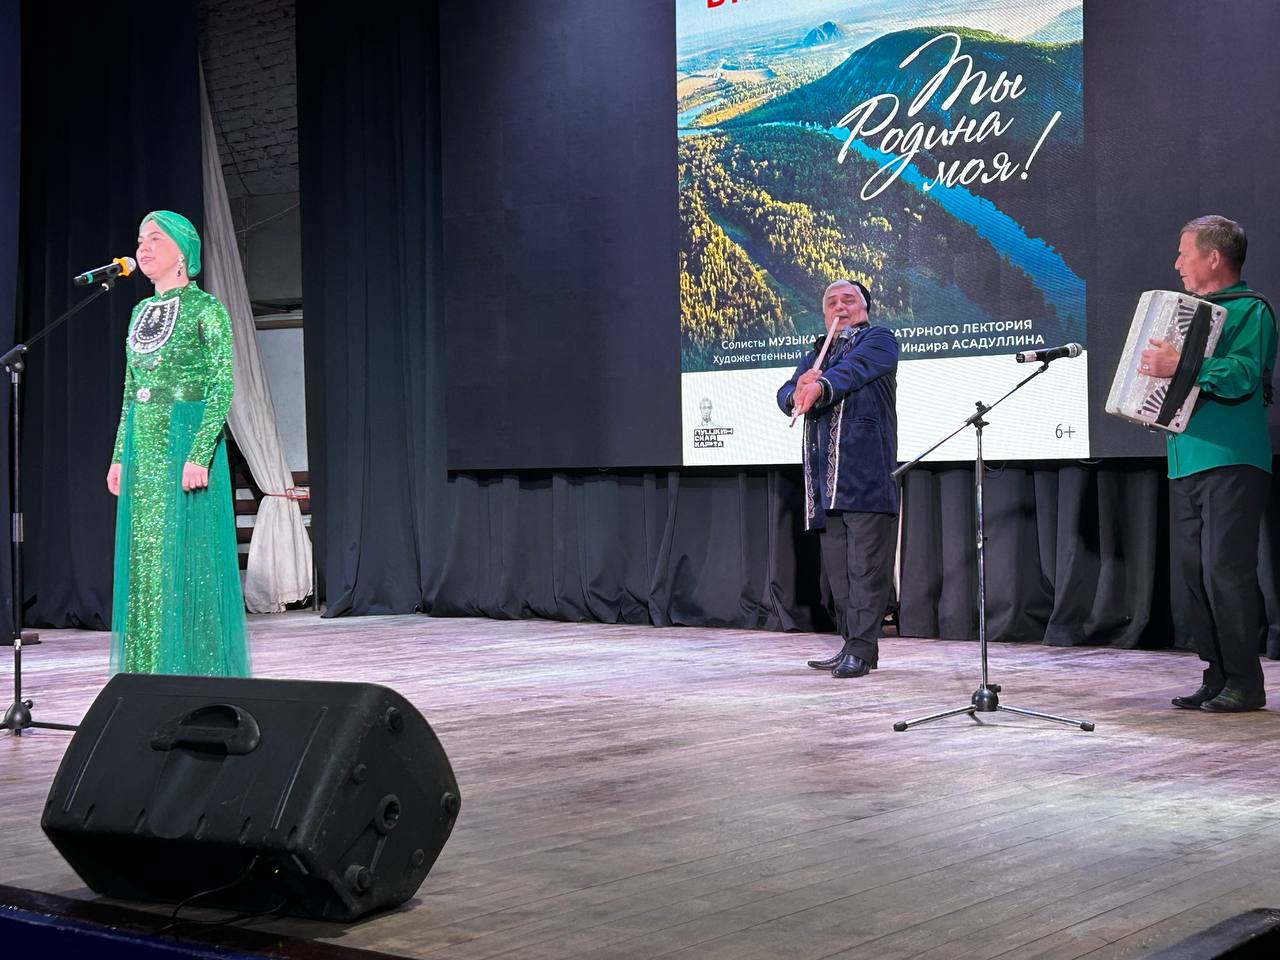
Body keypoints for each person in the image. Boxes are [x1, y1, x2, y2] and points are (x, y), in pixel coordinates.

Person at [104, 211, 250, 676]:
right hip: (143, 443)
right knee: (147, 558)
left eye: (155, 239)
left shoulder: (207, 308)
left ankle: (196, 672)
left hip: (186, 438)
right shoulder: (138, 312)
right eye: (140, 239)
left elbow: (222, 385)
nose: (143, 248)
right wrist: (119, 456)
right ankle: (147, 671)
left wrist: (199, 452)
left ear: (183, 252)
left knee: (188, 557)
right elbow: (130, 391)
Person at [1140, 215, 1276, 712]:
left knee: (1225, 572)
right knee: (1195, 575)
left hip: (1230, 458)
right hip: (1185, 459)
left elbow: (1242, 376)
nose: (1176, 263)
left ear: (1213, 257)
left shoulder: (1251, 310)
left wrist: (1181, 365)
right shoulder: (1185, 314)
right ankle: (1217, 674)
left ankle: (1245, 681)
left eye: (1184, 253)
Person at [777, 279, 899, 678]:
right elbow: (788, 390)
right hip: (825, 485)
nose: (840, 307)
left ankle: (861, 649)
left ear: (865, 307)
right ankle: (852, 644)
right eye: (832, 302)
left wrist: (818, 386)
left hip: (865, 479)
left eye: (849, 300)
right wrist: (796, 391)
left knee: (865, 571)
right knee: (839, 576)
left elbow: (852, 372)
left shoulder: (879, 340)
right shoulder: (818, 352)